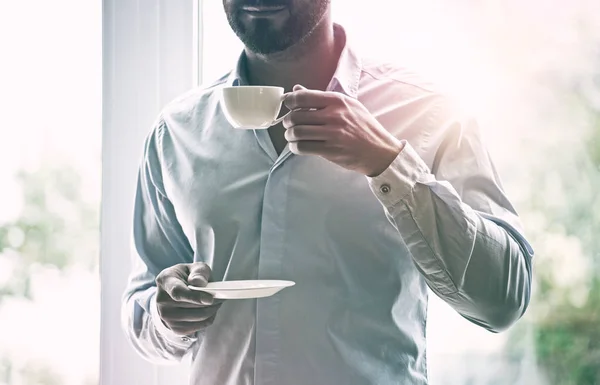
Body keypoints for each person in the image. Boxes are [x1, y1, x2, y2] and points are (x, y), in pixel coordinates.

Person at [121, 0, 535, 384]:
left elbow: (503, 299)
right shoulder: (176, 132)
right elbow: (142, 309)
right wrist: (165, 315)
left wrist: (388, 162)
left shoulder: (429, 114)